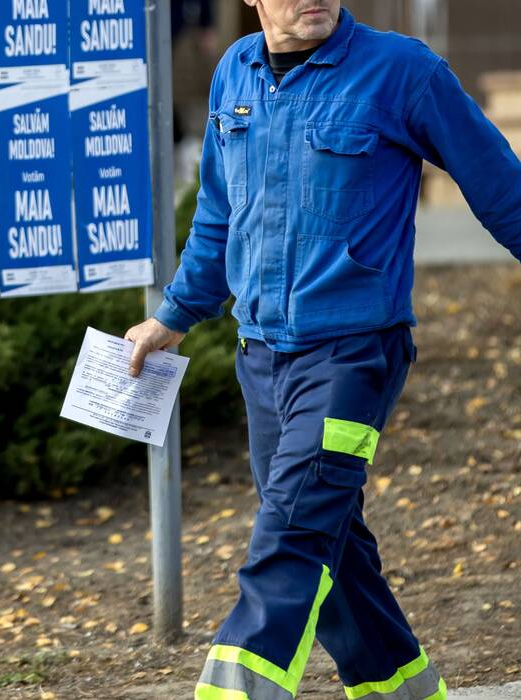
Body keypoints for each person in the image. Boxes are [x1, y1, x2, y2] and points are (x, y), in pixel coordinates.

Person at [123, 2, 521, 698]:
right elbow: (219, 214)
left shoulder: (402, 72)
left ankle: (232, 691)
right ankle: (402, 688)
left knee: (292, 534)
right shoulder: (235, 75)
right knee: (329, 536)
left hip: (352, 356)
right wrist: (174, 317)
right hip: (261, 358)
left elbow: (500, 187)